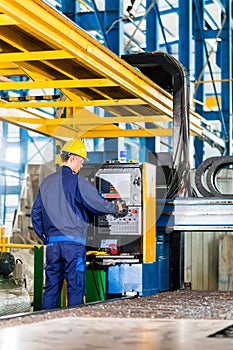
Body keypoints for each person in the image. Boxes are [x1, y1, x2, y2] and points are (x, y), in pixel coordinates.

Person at [31, 139, 123, 310]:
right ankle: (75, 328)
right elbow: (97, 203)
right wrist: (116, 207)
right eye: (80, 161)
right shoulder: (78, 183)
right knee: (75, 287)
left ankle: (45, 325)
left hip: (52, 245)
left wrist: (45, 237)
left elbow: (35, 213)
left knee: (51, 288)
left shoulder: (46, 183)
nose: (81, 166)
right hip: (73, 245)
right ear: (72, 158)